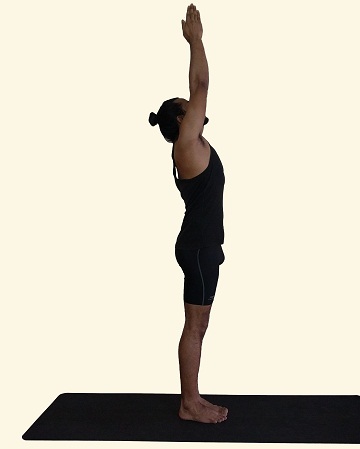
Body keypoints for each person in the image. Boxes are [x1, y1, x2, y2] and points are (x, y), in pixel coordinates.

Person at [148, 4, 228, 424]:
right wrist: (196, 41)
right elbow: (201, 84)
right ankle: (189, 404)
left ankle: (192, 398)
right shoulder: (186, 144)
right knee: (194, 327)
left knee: (199, 326)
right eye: (186, 106)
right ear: (182, 119)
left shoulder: (189, 148)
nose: (193, 104)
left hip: (200, 246)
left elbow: (196, 91)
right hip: (197, 248)